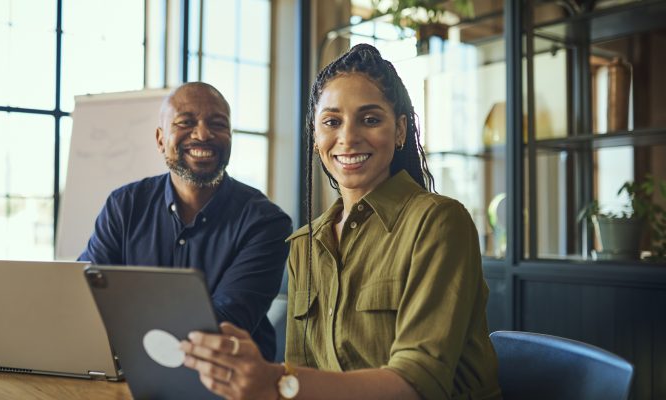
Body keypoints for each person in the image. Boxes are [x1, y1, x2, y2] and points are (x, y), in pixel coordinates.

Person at [180, 44, 502, 399]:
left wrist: (273, 382)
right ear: (316, 138)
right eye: (332, 122)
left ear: (399, 131)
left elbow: (418, 384)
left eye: (370, 119)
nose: (348, 138)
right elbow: (300, 373)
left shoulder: (439, 223)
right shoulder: (305, 243)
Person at [79, 82, 292, 361]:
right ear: (160, 139)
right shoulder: (124, 205)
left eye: (217, 124)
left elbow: (223, 327)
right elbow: (87, 295)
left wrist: (125, 322)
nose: (203, 134)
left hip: (227, 381)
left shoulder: (266, 223)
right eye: (186, 122)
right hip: (128, 372)